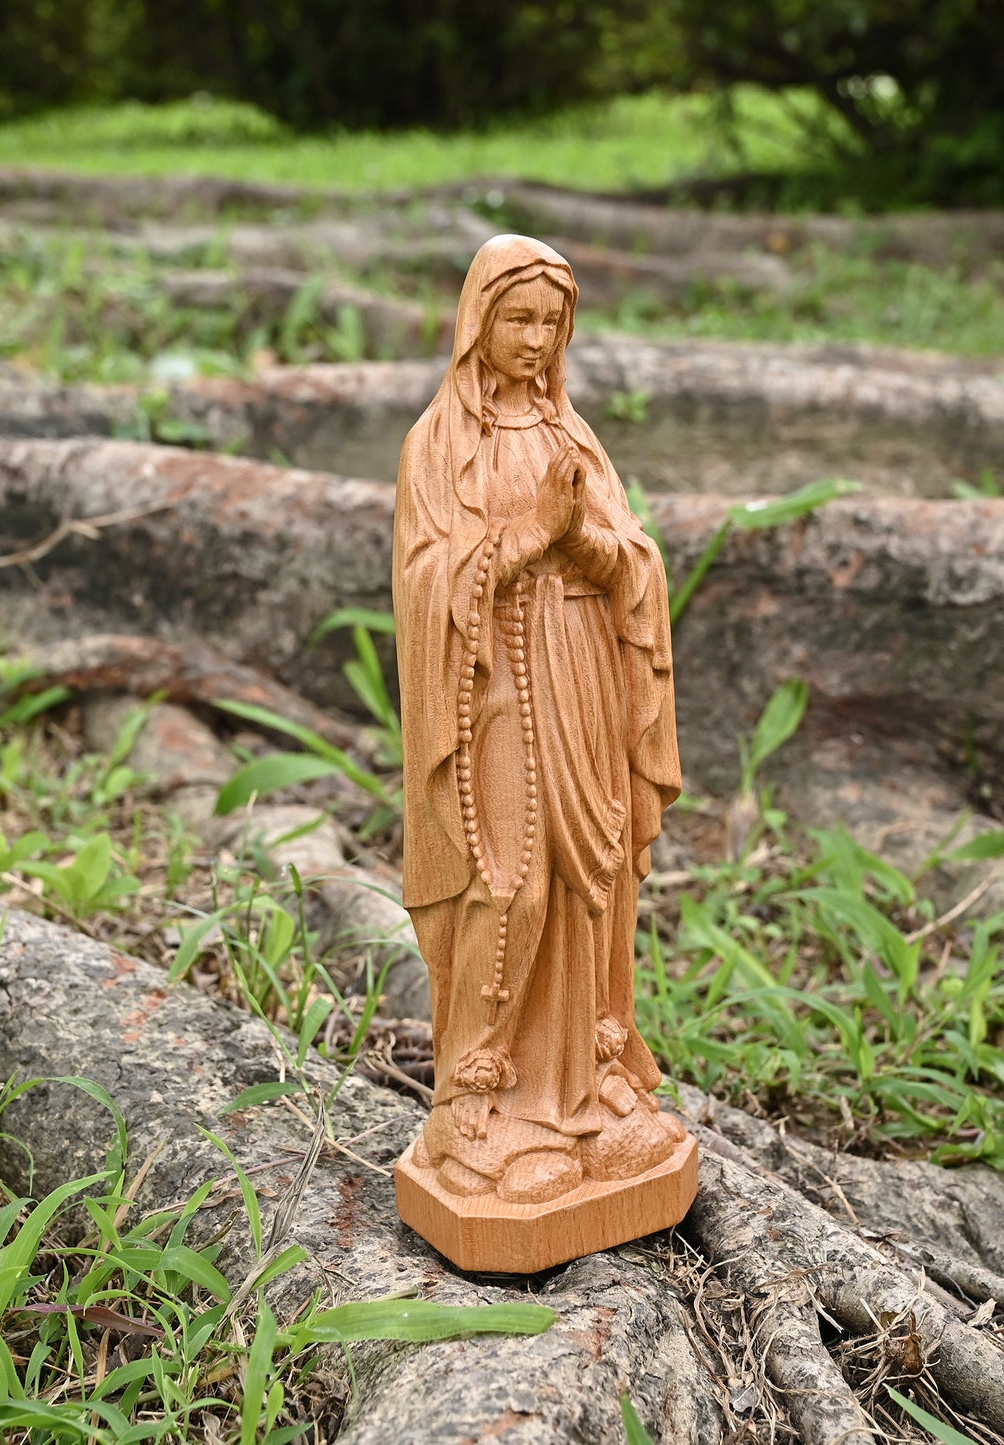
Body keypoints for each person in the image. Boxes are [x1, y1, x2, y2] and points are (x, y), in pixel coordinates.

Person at [393, 234, 683, 1205]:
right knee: (508, 883)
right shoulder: (438, 444)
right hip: (493, 687)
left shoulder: (573, 437)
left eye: (549, 322)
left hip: (578, 668)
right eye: (518, 317)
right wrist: (521, 542)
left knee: (591, 878)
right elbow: (426, 575)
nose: (534, 336)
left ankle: (588, 1086)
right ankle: (477, 1099)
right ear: (479, 320)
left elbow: (632, 559)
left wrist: (588, 544)